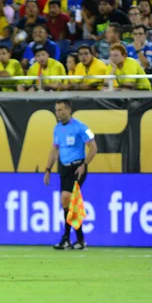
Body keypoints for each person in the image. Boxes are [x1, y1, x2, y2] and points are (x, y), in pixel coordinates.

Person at [44, 99, 98, 250]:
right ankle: (78, 239)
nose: (58, 113)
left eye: (61, 110)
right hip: (63, 168)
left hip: (77, 167)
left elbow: (93, 147)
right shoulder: (57, 128)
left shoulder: (81, 127)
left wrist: (84, 164)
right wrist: (48, 169)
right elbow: (54, 149)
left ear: (69, 110)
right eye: (56, 110)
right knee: (67, 203)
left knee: (67, 198)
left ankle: (67, 238)